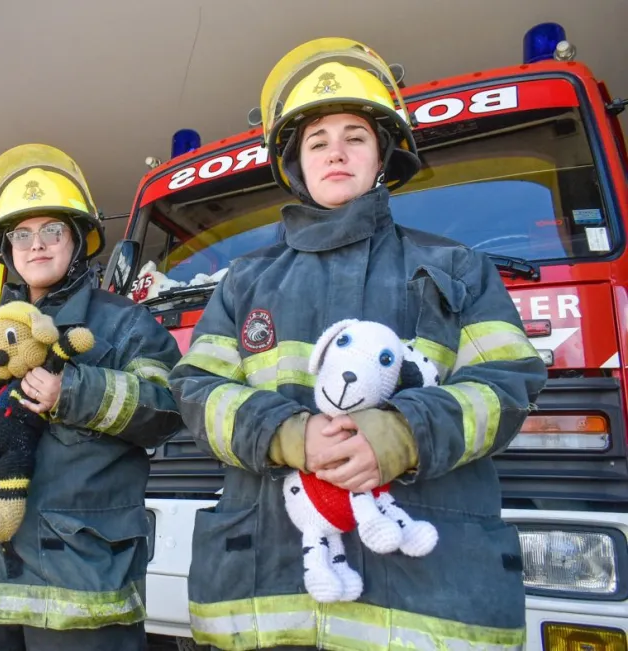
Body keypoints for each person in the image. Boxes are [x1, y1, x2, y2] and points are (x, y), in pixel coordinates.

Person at [168, 38, 548, 651]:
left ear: (383, 157)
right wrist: (287, 434)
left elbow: (509, 384)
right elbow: (195, 389)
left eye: (354, 137)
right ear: (296, 167)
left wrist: (403, 434)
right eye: (316, 142)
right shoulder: (244, 281)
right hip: (267, 593)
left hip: (426, 599)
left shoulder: (457, 267)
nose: (335, 152)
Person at [0, 143, 183, 651]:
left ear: (78, 240)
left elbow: (167, 407)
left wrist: (73, 391)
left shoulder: (124, 323)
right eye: (21, 235)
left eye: (53, 231)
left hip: (75, 568)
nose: (37, 245)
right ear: (6, 249)